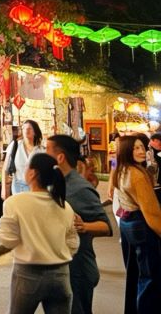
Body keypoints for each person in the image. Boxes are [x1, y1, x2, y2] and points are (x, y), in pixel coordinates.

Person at [0, 152, 79, 314]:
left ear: (32, 173)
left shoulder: (15, 203)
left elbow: (8, 240)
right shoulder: (64, 206)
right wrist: (55, 253)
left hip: (27, 274)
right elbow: (73, 243)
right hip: (61, 275)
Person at [45, 134, 112, 314]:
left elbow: (106, 226)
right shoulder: (55, 183)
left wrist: (85, 227)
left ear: (60, 157)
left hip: (78, 270)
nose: (43, 155)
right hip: (60, 267)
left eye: (47, 150)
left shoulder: (81, 188)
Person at [112, 134, 161, 314]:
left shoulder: (122, 168)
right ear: (127, 150)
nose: (141, 151)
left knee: (135, 273)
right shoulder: (136, 175)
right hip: (140, 224)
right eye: (136, 148)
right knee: (149, 278)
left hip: (127, 223)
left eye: (143, 147)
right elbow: (152, 213)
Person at [3, 120, 45, 198]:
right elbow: (5, 168)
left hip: (35, 187)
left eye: (29, 128)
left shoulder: (41, 150)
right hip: (18, 186)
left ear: (35, 132)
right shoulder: (15, 146)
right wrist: (4, 189)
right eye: (24, 128)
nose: (26, 130)